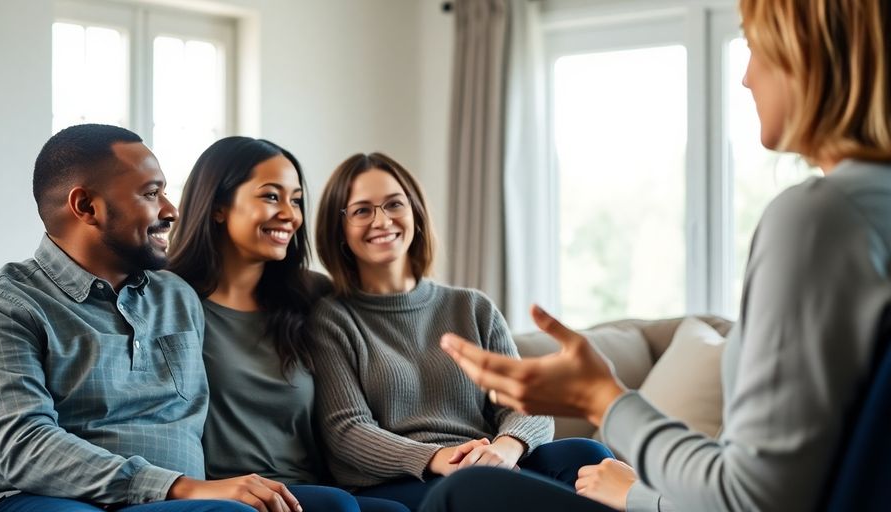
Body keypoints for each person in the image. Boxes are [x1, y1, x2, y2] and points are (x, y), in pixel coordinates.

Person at [422, 0, 891, 510]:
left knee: (466, 493)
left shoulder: (821, 218)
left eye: (754, 47)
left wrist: (602, 399)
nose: (746, 79)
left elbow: (754, 498)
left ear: (809, 53)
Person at [0, 124, 301, 512]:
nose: (171, 210)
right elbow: (24, 445)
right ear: (86, 206)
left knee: (333, 504)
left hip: (171, 501)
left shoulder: (177, 297)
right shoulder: (0, 306)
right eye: (151, 194)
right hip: (27, 498)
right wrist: (182, 488)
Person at [311, 152, 614, 510]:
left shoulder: (472, 307)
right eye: (362, 210)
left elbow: (524, 401)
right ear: (340, 230)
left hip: (487, 463)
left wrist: (505, 448)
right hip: (401, 481)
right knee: (476, 488)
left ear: (416, 214)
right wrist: (440, 457)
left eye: (394, 204)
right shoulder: (331, 319)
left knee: (586, 454)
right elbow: (347, 431)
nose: (382, 219)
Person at [167, 136, 408, 512]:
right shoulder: (167, 301)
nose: (290, 214)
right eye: (271, 196)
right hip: (226, 496)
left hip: (306, 489)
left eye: (295, 200)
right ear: (217, 207)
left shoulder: (312, 296)